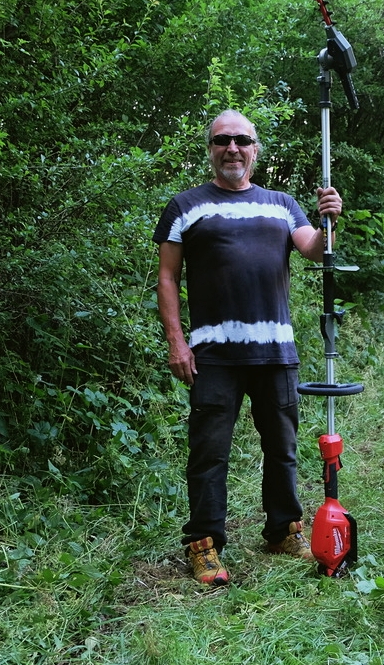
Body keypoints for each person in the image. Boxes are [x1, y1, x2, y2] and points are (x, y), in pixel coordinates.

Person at [154, 109, 343, 586]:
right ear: (211, 149)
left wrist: (330, 221)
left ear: (255, 149)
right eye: (222, 141)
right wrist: (177, 341)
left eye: (241, 140)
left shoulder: (281, 204)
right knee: (209, 451)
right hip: (213, 354)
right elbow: (168, 277)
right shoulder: (185, 206)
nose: (232, 148)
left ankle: (282, 530)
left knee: (283, 449)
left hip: (275, 351)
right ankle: (205, 544)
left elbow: (315, 250)